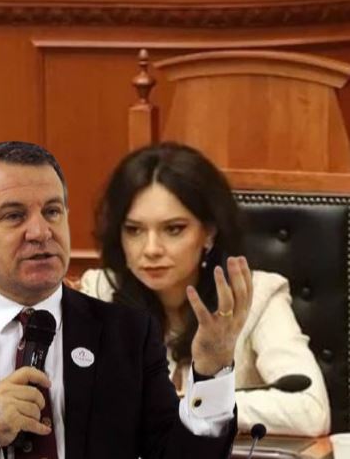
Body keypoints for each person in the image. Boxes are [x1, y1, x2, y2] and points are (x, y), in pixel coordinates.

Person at [0, 141, 250, 459]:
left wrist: (212, 371)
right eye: (14, 216)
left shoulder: (126, 334)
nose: (40, 232)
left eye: (52, 211)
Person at [80, 141, 330, 436]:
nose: (151, 249)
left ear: (209, 232)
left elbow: (310, 410)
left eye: (173, 229)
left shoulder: (256, 296)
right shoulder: (100, 293)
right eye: (134, 230)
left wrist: (195, 407)